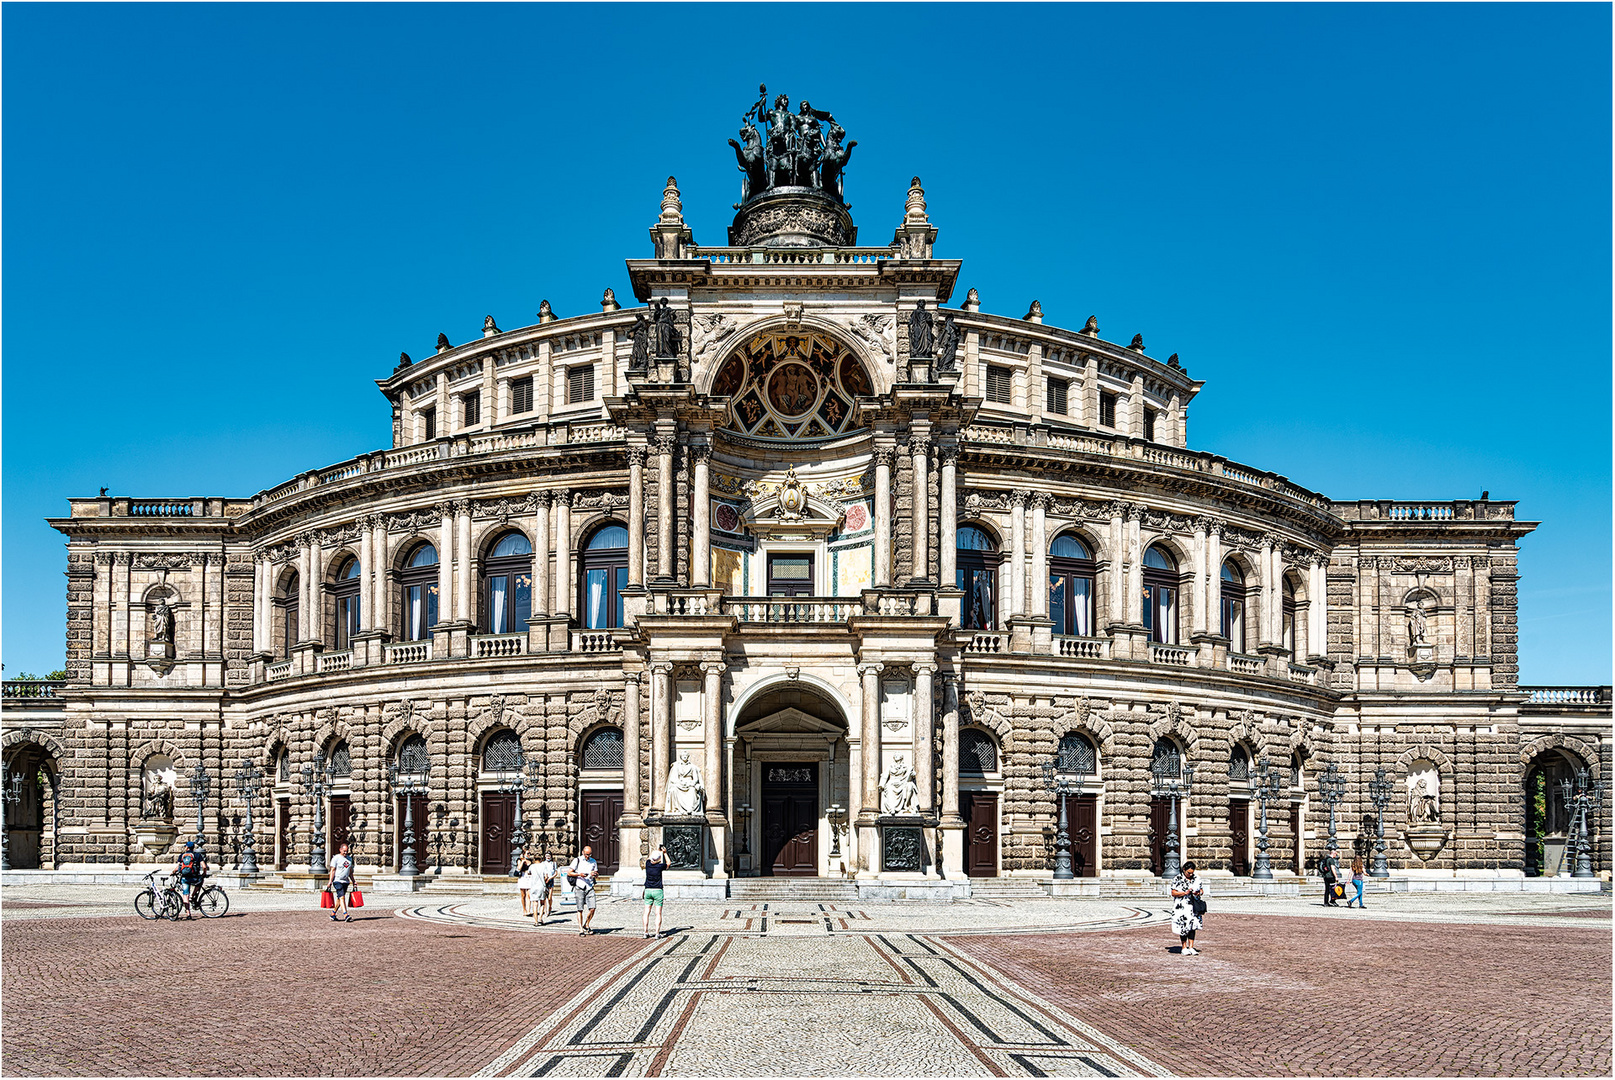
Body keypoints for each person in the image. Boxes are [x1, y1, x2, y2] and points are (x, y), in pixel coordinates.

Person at [1169, 862, 1205, 956]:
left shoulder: (1196, 878)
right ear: (1184, 870)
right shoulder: (1178, 879)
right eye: (1188, 872)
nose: (1190, 874)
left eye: (1192, 873)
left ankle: (1191, 947)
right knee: (1183, 926)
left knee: (1193, 926)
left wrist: (1198, 893)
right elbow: (1173, 893)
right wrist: (1185, 893)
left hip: (1193, 905)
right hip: (1182, 906)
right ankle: (1184, 947)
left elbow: (1202, 890)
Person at [568, 845, 599, 935]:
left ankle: (587, 924)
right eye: (586, 854)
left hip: (589, 886)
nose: (587, 856)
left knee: (592, 908)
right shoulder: (577, 860)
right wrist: (579, 874)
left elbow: (596, 874)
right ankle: (581, 928)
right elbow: (569, 872)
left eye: (589, 854)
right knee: (580, 909)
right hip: (580, 886)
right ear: (582, 852)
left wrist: (595, 874)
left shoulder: (593, 861)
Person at [173, 840, 208, 918]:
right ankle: (193, 895)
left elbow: (177, 867)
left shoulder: (182, 855)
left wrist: (173, 872)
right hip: (195, 877)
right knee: (200, 881)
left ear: (187, 847)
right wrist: (204, 873)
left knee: (185, 895)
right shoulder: (197, 855)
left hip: (185, 878)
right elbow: (204, 866)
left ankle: (188, 913)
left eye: (185, 846)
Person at [642, 844, 668, 939]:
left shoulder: (648, 864)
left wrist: (656, 851)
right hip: (658, 891)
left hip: (648, 890)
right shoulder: (660, 866)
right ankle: (657, 933)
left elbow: (650, 858)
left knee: (646, 912)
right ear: (659, 860)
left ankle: (645, 932)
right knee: (658, 913)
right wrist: (664, 853)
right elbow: (669, 863)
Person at [328, 841, 354, 923]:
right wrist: (330, 881)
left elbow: (350, 872)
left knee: (340, 898)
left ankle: (333, 914)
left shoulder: (349, 859)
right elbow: (332, 870)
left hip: (345, 881)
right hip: (337, 880)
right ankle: (345, 914)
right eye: (344, 851)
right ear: (340, 850)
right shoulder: (336, 858)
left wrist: (353, 881)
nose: (345, 852)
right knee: (342, 897)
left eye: (346, 851)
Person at [533, 850, 558, 926]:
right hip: (543, 881)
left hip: (550, 880)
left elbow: (556, 872)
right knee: (543, 898)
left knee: (549, 897)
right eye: (546, 856)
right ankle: (545, 911)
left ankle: (549, 907)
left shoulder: (553, 863)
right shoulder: (543, 864)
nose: (548, 857)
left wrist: (550, 878)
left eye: (549, 856)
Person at [515, 848, 536, 917]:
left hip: (529, 878)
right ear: (523, 854)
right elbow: (519, 868)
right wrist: (523, 860)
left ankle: (528, 910)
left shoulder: (531, 861)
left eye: (529, 853)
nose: (529, 855)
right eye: (527, 853)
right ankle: (524, 909)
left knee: (529, 894)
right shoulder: (519, 860)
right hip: (522, 878)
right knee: (523, 895)